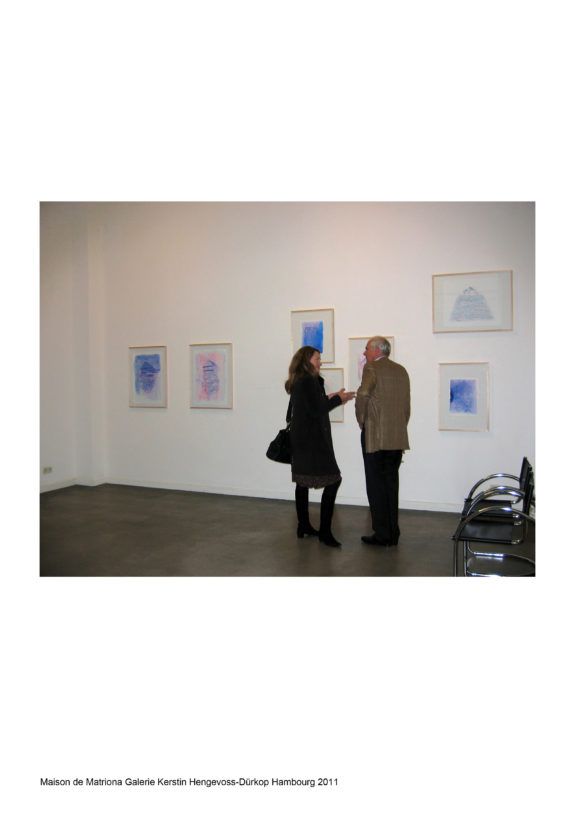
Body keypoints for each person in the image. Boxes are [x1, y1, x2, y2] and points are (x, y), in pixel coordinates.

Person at [285, 346, 355, 547]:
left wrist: (331, 398)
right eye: (317, 359)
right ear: (307, 360)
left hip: (303, 440)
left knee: (302, 482)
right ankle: (324, 532)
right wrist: (338, 399)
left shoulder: (300, 380)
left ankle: (304, 526)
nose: (320, 362)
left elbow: (311, 405)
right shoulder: (308, 381)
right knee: (333, 480)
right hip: (312, 442)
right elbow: (316, 410)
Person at [355, 336, 410, 546]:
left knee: (376, 484)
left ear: (377, 350)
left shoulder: (371, 368)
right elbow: (406, 406)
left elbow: (363, 394)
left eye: (367, 349)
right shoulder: (401, 370)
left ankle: (382, 533)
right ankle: (393, 531)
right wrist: (400, 426)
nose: (365, 352)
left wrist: (361, 419)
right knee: (391, 484)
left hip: (375, 436)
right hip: (396, 437)